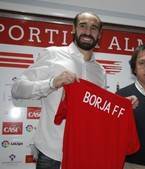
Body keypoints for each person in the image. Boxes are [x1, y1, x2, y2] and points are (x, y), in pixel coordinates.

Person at [11, 11, 138, 169]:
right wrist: (52, 83)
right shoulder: (53, 54)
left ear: (99, 35)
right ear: (73, 29)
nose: (87, 32)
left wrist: (122, 105)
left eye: (93, 28)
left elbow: (96, 109)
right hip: (52, 154)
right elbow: (17, 89)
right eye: (83, 26)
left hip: (84, 154)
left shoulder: (100, 71)